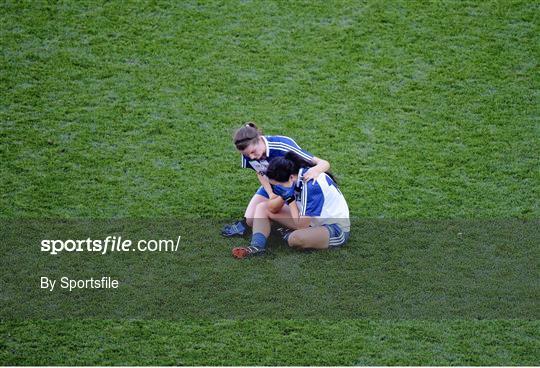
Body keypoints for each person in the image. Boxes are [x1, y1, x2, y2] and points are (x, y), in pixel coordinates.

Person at [232, 151, 350, 259]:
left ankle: (284, 233)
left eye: (279, 185)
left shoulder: (311, 185)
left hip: (333, 227)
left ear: (291, 177)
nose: (278, 188)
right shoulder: (293, 177)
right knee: (262, 207)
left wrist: (290, 199)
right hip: (309, 220)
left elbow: (301, 225)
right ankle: (256, 247)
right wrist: (283, 197)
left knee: (296, 238)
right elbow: (272, 208)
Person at [221, 122, 331, 237]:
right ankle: (279, 223)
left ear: (259, 139)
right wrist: (271, 194)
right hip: (273, 183)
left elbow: (324, 163)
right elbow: (260, 172)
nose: (252, 157)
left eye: (253, 152)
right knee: (250, 221)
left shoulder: (282, 146)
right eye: (248, 155)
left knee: (278, 212)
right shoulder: (248, 151)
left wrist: (315, 170)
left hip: (296, 185)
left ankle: (288, 226)